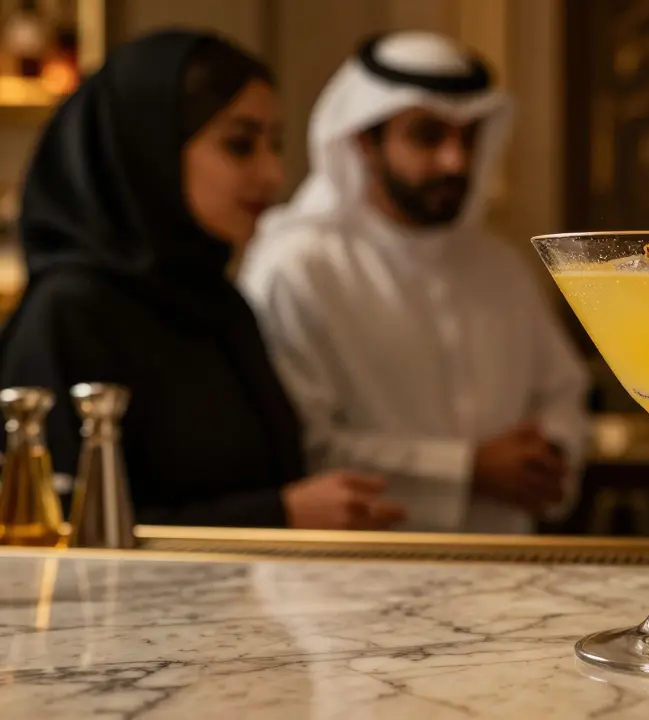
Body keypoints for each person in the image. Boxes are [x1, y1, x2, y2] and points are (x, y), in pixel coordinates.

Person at [0, 30, 404, 530]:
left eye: (274, 144)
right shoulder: (69, 314)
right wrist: (279, 516)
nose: (273, 172)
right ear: (150, 150)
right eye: (240, 145)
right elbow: (56, 534)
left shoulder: (218, 302)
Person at [240, 32, 589, 534]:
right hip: (361, 573)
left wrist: (547, 454)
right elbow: (306, 446)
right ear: (365, 141)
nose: (456, 161)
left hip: (508, 564)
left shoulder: (501, 265)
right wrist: (468, 470)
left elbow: (563, 392)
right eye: (428, 136)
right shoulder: (297, 268)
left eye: (468, 137)